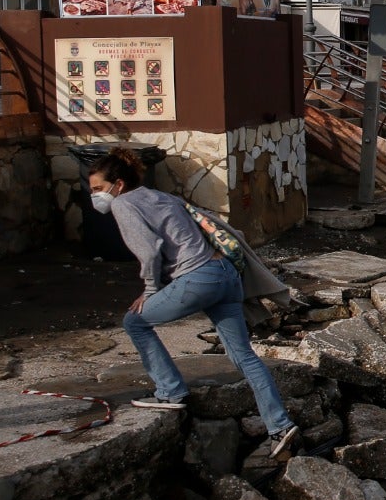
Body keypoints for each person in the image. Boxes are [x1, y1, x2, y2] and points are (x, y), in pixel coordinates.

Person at [87, 147, 298, 459]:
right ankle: (279, 426)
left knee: (135, 322)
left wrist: (149, 291)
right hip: (226, 275)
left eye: (98, 189)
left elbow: (149, 250)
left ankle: (170, 391)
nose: (95, 196)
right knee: (243, 356)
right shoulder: (160, 196)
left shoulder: (125, 204)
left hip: (199, 279)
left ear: (118, 185)